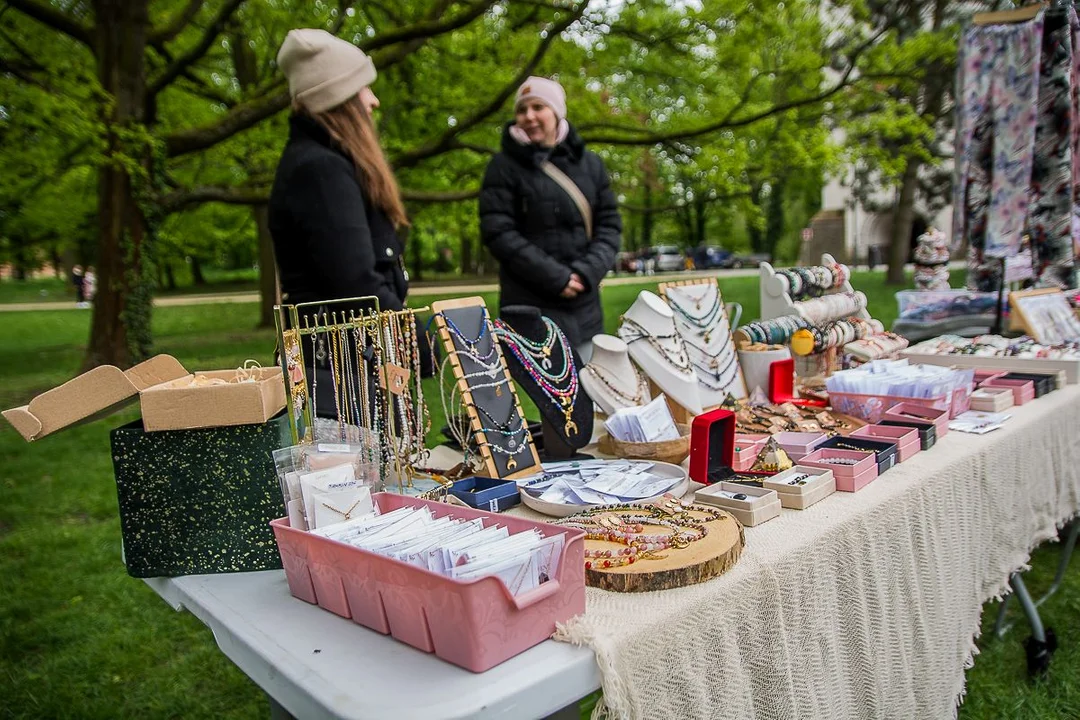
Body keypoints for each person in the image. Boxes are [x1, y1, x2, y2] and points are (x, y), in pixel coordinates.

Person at [269, 28, 431, 415]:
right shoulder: (320, 171)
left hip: (354, 372)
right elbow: (357, 287)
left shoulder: (324, 164)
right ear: (338, 99)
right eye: (364, 90)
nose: (373, 101)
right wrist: (430, 345)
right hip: (341, 385)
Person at [479, 76, 622, 362]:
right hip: (530, 305)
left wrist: (585, 273)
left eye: (538, 107)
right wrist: (556, 278)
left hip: (585, 306)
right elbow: (499, 233)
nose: (529, 116)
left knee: (596, 391)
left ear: (556, 112)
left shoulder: (590, 165)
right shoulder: (502, 167)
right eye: (522, 110)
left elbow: (609, 225)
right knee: (552, 397)